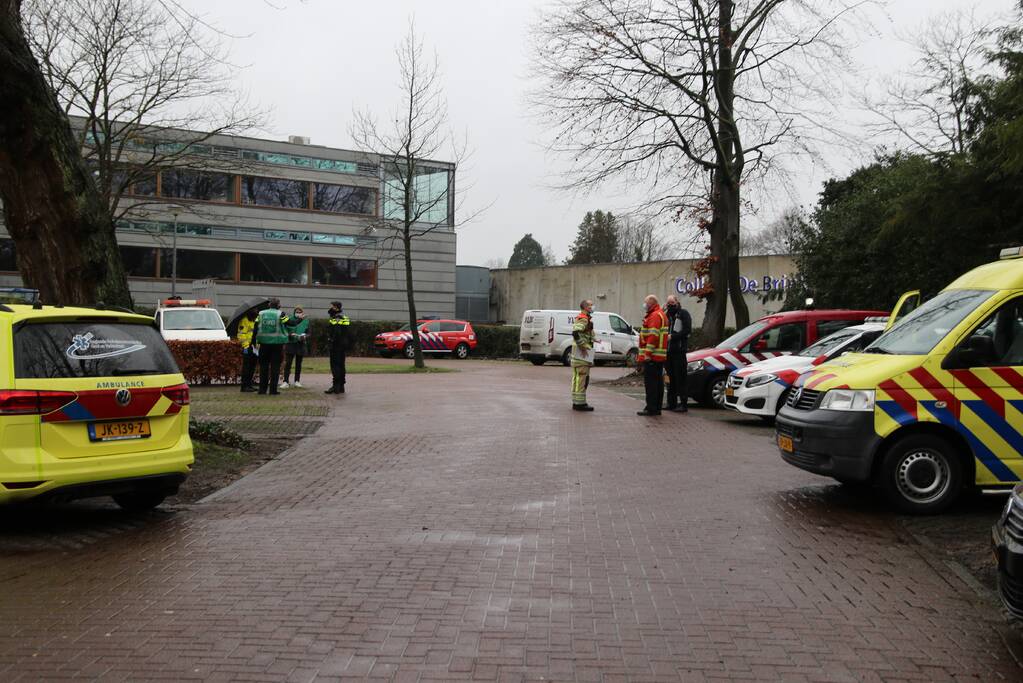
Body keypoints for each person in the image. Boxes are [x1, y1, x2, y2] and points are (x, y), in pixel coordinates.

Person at [636, 294, 669, 416]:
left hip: (653, 356)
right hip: (659, 356)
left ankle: (651, 408)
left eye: (646, 303)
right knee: (658, 383)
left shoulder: (655, 316)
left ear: (651, 303)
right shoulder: (661, 314)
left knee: (651, 384)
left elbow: (653, 336)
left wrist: (647, 354)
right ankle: (656, 407)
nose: (644, 305)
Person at [251, 297, 289, 396]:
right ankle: (273, 391)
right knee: (275, 368)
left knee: (263, 367)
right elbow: (290, 323)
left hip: (263, 344)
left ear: (269, 305)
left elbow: (255, 327)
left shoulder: (261, 313)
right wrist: (300, 320)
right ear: (278, 305)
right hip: (277, 345)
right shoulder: (281, 314)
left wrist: (253, 341)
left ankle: (262, 390)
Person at [665, 294, 692, 413]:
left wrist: (673, 337)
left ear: (677, 302)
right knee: (670, 378)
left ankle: (683, 403)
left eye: (672, 303)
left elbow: (687, 330)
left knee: (680, 377)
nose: (670, 305)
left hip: (679, 351)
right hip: (668, 352)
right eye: (668, 303)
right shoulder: (667, 315)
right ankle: (671, 403)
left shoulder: (683, 314)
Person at [570, 299, 596, 411]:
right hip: (582, 355)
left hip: (578, 355)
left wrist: (594, 339)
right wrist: (583, 346)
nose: (592, 306)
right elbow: (575, 332)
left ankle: (577, 402)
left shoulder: (582, 318)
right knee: (582, 379)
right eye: (590, 305)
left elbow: (582, 333)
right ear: (585, 307)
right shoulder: (584, 319)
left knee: (578, 378)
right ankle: (580, 404)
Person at [325, 301, 350, 394]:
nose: (330, 308)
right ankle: (341, 386)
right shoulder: (345, 317)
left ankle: (336, 387)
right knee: (341, 365)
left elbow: (336, 332)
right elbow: (347, 332)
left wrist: (331, 340)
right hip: (343, 345)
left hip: (336, 346)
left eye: (332, 307)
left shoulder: (336, 317)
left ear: (335, 308)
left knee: (335, 366)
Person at [281, 306, 309, 389]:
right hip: (290, 344)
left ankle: (297, 381)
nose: (298, 313)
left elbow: (309, 332)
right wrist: (290, 335)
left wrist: (305, 336)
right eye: (297, 312)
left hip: (301, 344)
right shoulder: (290, 320)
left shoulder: (306, 321)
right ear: (294, 312)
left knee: (298, 364)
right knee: (288, 363)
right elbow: (284, 331)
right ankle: (285, 381)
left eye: (300, 312)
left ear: (302, 313)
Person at [237, 309, 258, 393]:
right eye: (255, 314)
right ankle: (244, 386)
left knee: (252, 366)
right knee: (246, 367)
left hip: (255, 347)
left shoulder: (255, 320)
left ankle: (249, 385)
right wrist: (246, 345)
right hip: (247, 347)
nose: (256, 316)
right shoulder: (244, 321)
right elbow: (241, 334)